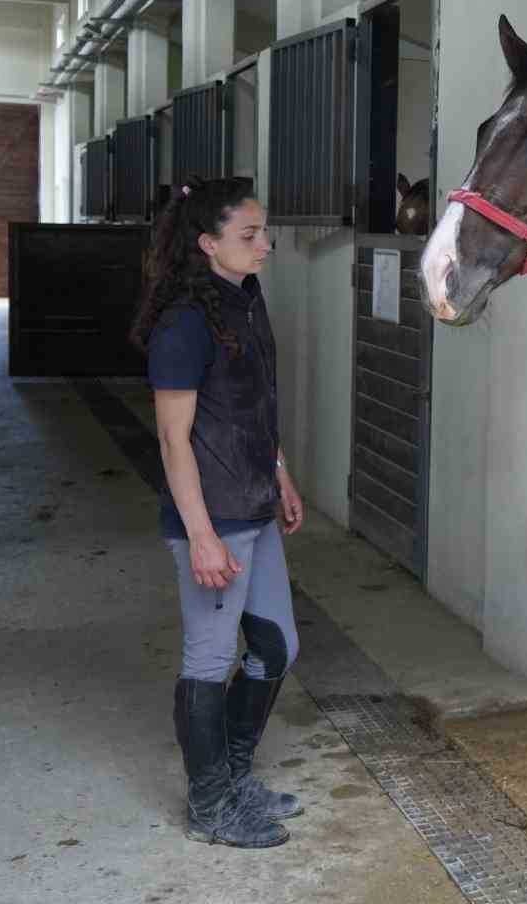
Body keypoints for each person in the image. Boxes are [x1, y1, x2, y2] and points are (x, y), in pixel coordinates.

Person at [130, 176, 306, 849]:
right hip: (213, 518)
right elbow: (174, 441)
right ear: (207, 244)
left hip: (256, 505)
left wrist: (282, 474)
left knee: (277, 646)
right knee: (208, 658)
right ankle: (211, 806)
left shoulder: (247, 300)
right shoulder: (183, 324)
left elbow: (256, 405)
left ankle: (233, 779)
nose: (265, 245)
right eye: (249, 235)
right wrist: (202, 537)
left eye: (265, 232)